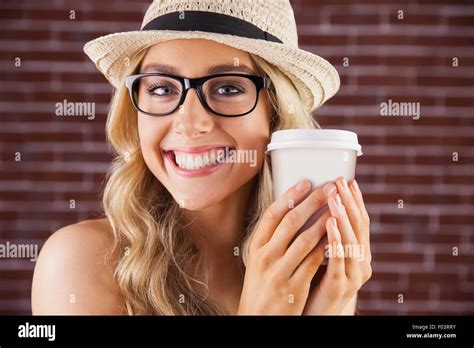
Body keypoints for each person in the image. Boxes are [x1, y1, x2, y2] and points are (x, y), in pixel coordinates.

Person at [32, 0, 372, 315]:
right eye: (162, 88)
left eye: (227, 88)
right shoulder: (79, 261)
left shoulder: (318, 270)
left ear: (276, 114)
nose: (190, 123)